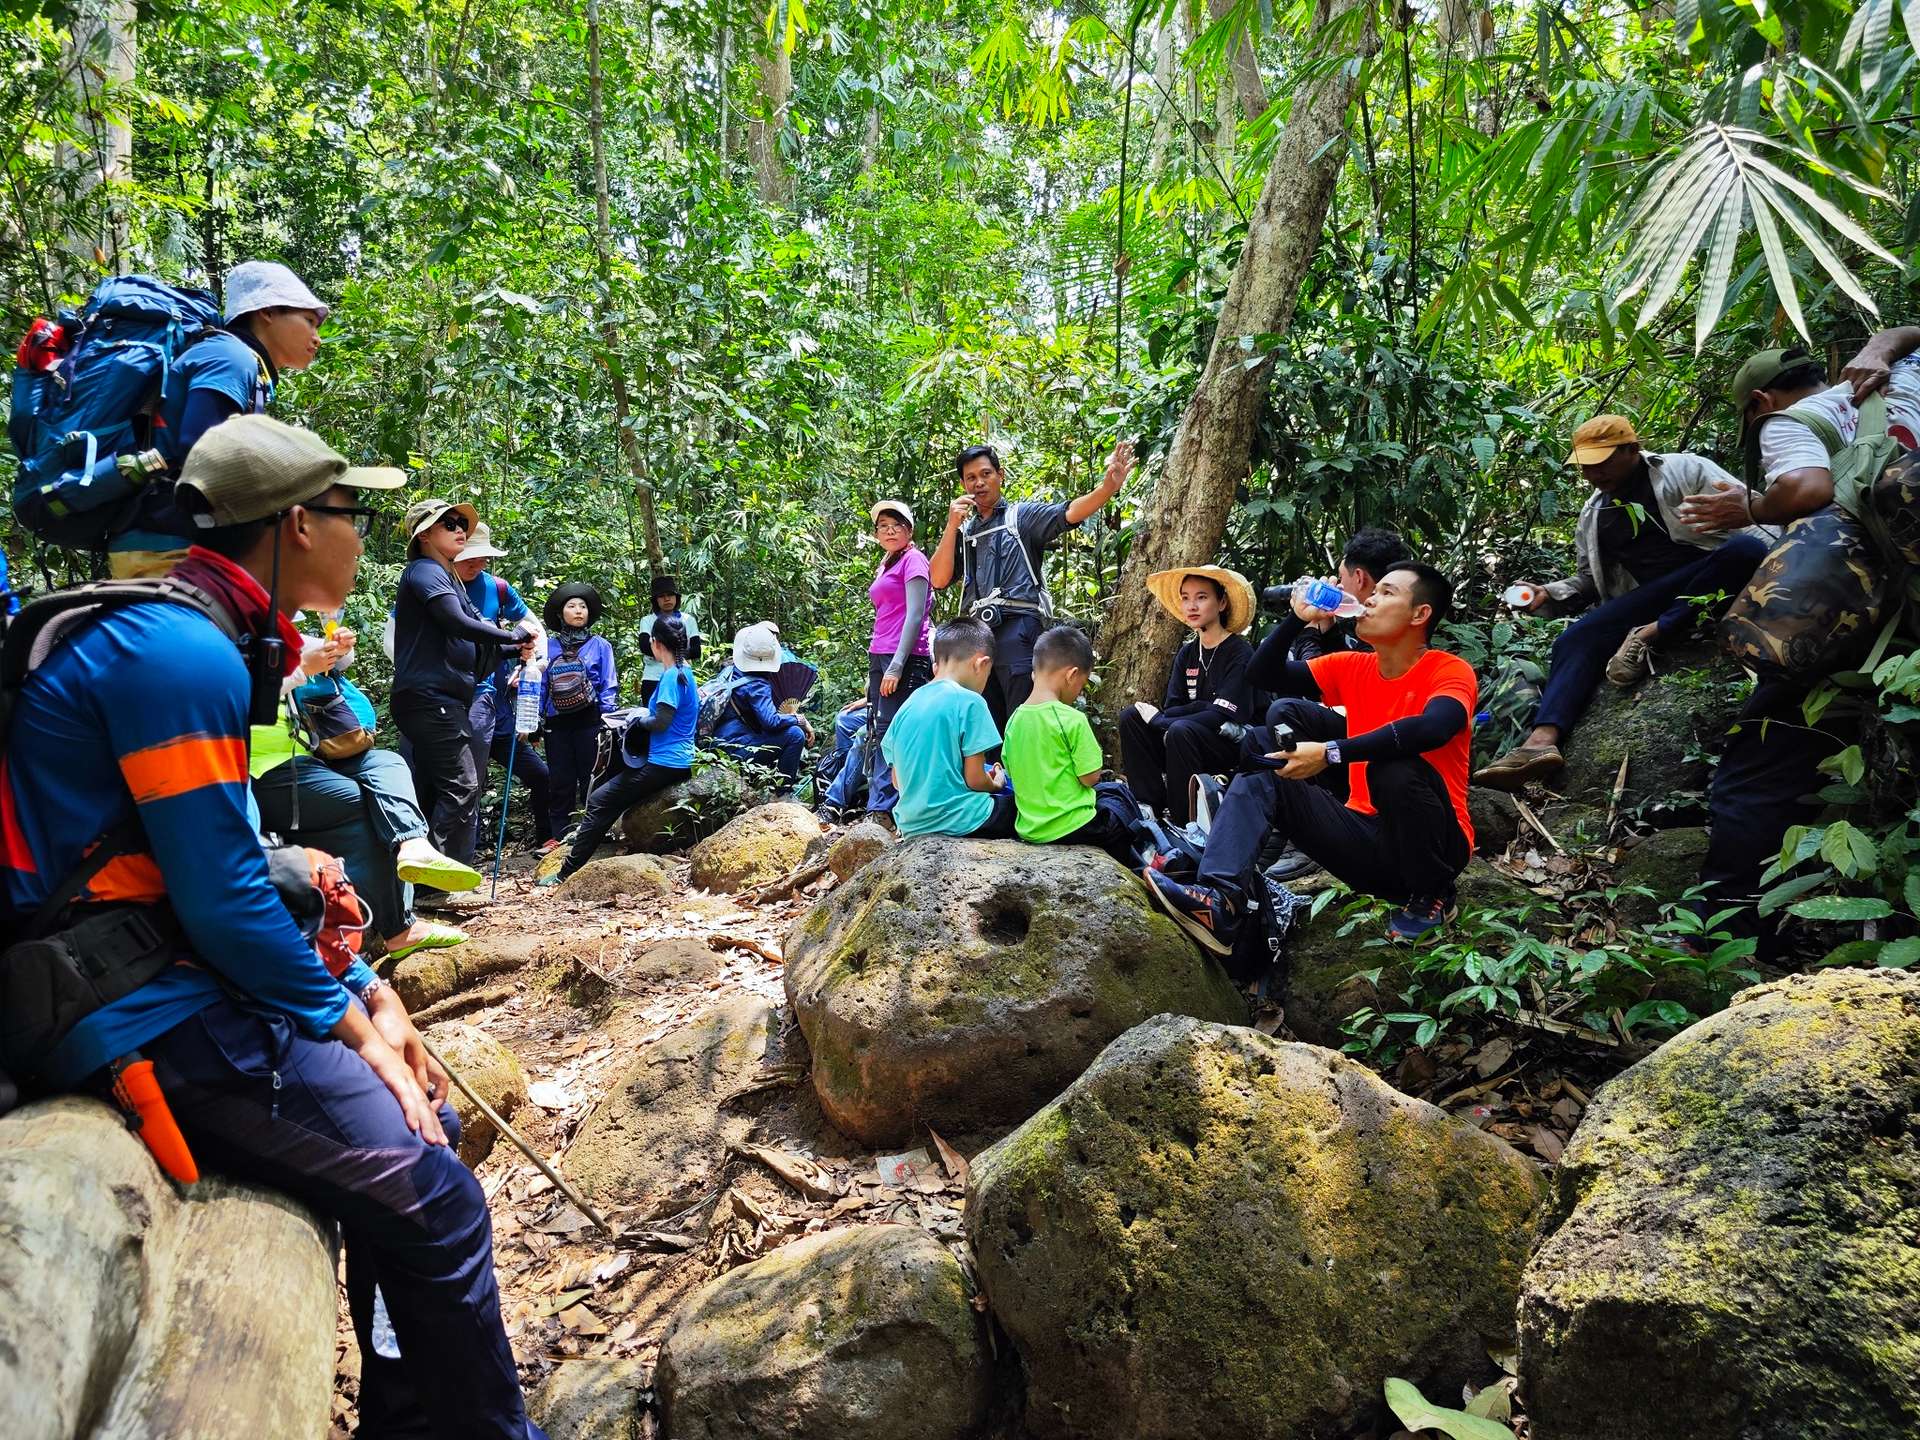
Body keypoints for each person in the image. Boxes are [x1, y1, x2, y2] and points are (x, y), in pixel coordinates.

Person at [0, 414, 549, 1438]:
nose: (361, 536)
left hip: (162, 968)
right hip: (130, 1003)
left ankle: (412, 1417)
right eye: (353, 514)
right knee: (439, 1201)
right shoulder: (174, 653)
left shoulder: (201, 636)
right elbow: (221, 898)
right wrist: (349, 1025)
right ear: (298, 523)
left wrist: (369, 992)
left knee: (420, 1141)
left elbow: (229, 863)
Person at [1675, 331, 1920, 941]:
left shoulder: (1790, 423)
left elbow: (1808, 491)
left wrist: (1754, 507)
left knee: (1762, 756)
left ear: (1761, 401)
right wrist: (1885, 344)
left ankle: (1723, 930)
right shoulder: (1907, 374)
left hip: (1863, 611)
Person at [1145, 564, 1477, 948]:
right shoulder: (1354, 666)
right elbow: (1263, 674)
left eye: (1386, 593)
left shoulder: (1448, 670)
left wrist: (1331, 753)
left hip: (1436, 846)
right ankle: (1220, 900)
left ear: (1420, 614)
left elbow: (1434, 728)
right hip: (1367, 845)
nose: (1369, 599)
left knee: (1394, 769)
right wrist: (1296, 619)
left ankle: (1433, 894)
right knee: (1265, 767)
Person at [1473, 415, 1773, 790]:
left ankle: (1650, 634)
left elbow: (1758, 525)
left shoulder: (1684, 470)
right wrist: (1549, 593)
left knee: (1746, 549)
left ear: (1632, 449)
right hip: (1655, 595)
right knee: (1575, 638)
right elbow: (1588, 581)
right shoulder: (1594, 514)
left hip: (1719, 577)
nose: (1593, 474)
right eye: (1585, 466)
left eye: (1602, 462)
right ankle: (1540, 743)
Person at [253, 620, 477, 960]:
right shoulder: (224, 636)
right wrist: (300, 669)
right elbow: (232, 698)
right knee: (362, 806)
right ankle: (398, 928)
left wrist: (339, 647)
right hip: (265, 769)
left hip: (314, 752)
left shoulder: (277, 630)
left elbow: (331, 658)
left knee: (386, 762)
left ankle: (413, 843)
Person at [110, 261, 329, 579]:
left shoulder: (242, 363)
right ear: (266, 311)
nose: (316, 337)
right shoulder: (231, 358)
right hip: (169, 547)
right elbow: (202, 454)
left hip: (166, 541)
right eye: (309, 321)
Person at [928, 439, 1136, 729]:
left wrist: (1107, 488)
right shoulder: (964, 531)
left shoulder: (1021, 517)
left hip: (1018, 629)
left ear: (1000, 476)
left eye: (986, 474)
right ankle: (992, 774)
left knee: (1021, 717)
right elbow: (937, 579)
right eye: (971, 478)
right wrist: (952, 526)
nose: (979, 483)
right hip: (977, 637)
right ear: (963, 484)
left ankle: (1022, 774)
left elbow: (1069, 513)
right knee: (983, 719)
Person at [391, 499, 540, 861]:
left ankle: (418, 885)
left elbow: (470, 646)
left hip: (442, 698)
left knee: (431, 789)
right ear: (425, 534)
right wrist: (510, 637)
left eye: (463, 524)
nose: (461, 530)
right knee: (462, 785)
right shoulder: (425, 570)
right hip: (431, 698)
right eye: (450, 524)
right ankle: (435, 878)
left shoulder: (450, 578)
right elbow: (455, 622)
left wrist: (511, 651)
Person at [542, 617, 699, 886]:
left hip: (666, 761)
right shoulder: (684, 672)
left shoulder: (673, 676)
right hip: (674, 758)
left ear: (655, 643)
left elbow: (661, 722)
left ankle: (566, 873)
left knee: (600, 800)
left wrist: (636, 719)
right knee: (610, 788)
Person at [1117, 566, 1256, 826]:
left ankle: (1186, 823)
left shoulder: (1240, 652)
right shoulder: (1187, 653)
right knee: (1132, 717)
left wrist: (1165, 720)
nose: (1191, 605)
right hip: (1186, 738)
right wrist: (1196, 708)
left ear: (1222, 602)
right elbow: (1174, 705)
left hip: (1231, 744)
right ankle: (1150, 810)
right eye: (1185, 597)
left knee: (1180, 729)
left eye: (1201, 597)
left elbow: (1220, 716)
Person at [1004, 625, 1154, 865]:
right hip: (1077, 828)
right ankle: (1147, 859)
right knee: (1119, 797)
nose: (1078, 691)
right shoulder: (1071, 719)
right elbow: (1089, 778)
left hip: (1030, 829)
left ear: (1035, 672)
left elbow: (1012, 772)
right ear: (1071, 674)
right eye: (1082, 684)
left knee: (1110, 793)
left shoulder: (1014, 720)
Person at [454, 524, 553, 851]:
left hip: (500, 706)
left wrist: (531, 666)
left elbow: (533, 628)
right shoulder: (438, 585)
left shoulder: (497, 588)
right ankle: (467, 851)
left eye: (483, 557)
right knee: (468, 782)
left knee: (538, 774)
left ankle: (545, 840)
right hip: (460, 702)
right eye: (470, 557)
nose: (477, 563)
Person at [881, 617, 1017, 839]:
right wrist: (996, 782)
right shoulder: (971, 702)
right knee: (1022, 805)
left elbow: (897, 781)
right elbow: (975, 780)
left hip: (912, 825)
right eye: (988, 674)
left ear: (936, 665)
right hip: (964, 821)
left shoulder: (908, 704)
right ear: (980, 664)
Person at [857, 499, 936, 820]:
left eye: (896, 526)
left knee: (894, 731)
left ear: (909, 530)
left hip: (905, 657)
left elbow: (916, 615)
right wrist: (877, 668)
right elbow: (884, 615)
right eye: (883, 527)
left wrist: (897, 665)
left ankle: (885, 810)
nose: (889, 531)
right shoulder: (887, 561)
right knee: (877, 728)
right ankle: (879, 805)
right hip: (880, 653)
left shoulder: (914, 560)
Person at [540, 581, 619, 847]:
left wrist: (608, 718)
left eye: (582, 606)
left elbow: (609, 682)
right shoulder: (547, 646)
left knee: (591, 776)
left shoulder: (600, 646)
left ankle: (591, 832)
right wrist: (534, 721)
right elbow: (540, 685)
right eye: (571, 606)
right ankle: (559, 834)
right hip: (556, 722)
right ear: (561, 613)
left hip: (590, 719)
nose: (578, 611)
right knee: (560, 779)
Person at [1285, 526, 1413, 662]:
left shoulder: (1383, 638)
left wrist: (1307, 631)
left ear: (1359, 578)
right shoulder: (1400, 628)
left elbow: (1315, 682)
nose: (1339, 586)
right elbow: (1345, 669)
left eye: (1340, 577)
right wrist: (1329, 631)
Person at [712, 622, 812, 786]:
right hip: (735, 750)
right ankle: (782, 794)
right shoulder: (758, 685)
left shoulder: (730, 669)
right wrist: (799, 719)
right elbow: (771, 722)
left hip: (716, 743)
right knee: (795, 734)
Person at [640, 574, 703, 704]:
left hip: (680, 676)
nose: (667, 599)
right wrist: (677, 651)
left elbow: (696, 650)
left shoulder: (688, 620)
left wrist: (664, 652)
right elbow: (644, 647)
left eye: (670, 595)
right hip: (652, 678)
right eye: (662, 596)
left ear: (676, 597)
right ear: (656, 600)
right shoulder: (647, 621)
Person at [816, 698, 871, 823]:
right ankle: (852, 779)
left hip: (891, 708)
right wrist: (867, 699)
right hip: (878, 703)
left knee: (863, 737)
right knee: (843, 719)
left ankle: (834, 802)